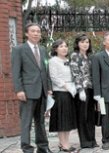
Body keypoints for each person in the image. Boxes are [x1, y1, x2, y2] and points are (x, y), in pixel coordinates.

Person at [11, 23, 52, 153]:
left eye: (38, 32)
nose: (36, 34)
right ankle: (27, 148)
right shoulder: (19, 50)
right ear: (26, 34)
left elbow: (46, 70)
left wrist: (49, 88)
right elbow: (16, 71)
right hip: (27, 92)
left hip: (42, 91)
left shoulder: (43, 50)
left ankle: (43, 147)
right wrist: (19, 90)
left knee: (40, 122)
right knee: (26, 122)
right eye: (33, 31)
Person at [69, 34, 99, 149]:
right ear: (77, 44)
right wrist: (80, 90)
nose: (85, 44)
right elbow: (75, 73)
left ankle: (92, 140)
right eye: (82, 42)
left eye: (87, 42)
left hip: (91, 89)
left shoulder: (90, 56)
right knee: (83, 116)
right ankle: (85, 141)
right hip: (82, 91)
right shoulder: (75, 56)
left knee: (91, 116)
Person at [48, 39, 78, 152]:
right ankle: (64, 144)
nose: (64, 48)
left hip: (71, 93)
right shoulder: (53, 61)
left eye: (65, 46)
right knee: (62, 120)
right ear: (56, 49)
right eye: (61, 46)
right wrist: (67, 86)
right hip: (60, 93)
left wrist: (74, 86)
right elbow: (54, 77)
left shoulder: (68, 60)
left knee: (68, 120)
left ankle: (65, 142)